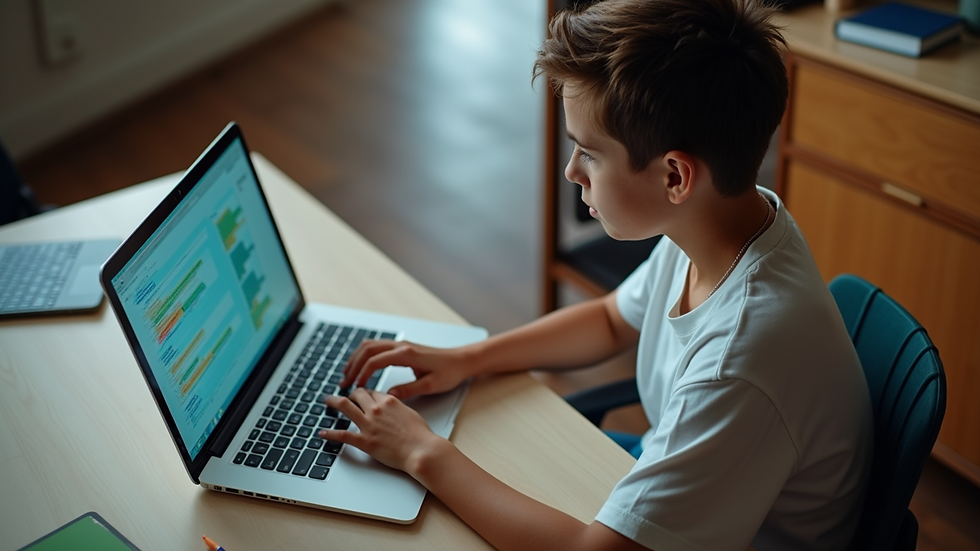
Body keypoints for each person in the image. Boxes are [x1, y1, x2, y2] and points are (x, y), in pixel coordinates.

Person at [319, 0, 873, 549]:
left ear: (675, 176)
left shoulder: (737, 363)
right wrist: (469, 358)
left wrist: (422, 453)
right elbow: (611, 320)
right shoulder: (729, 222)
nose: (571, 171)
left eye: (589, 152)